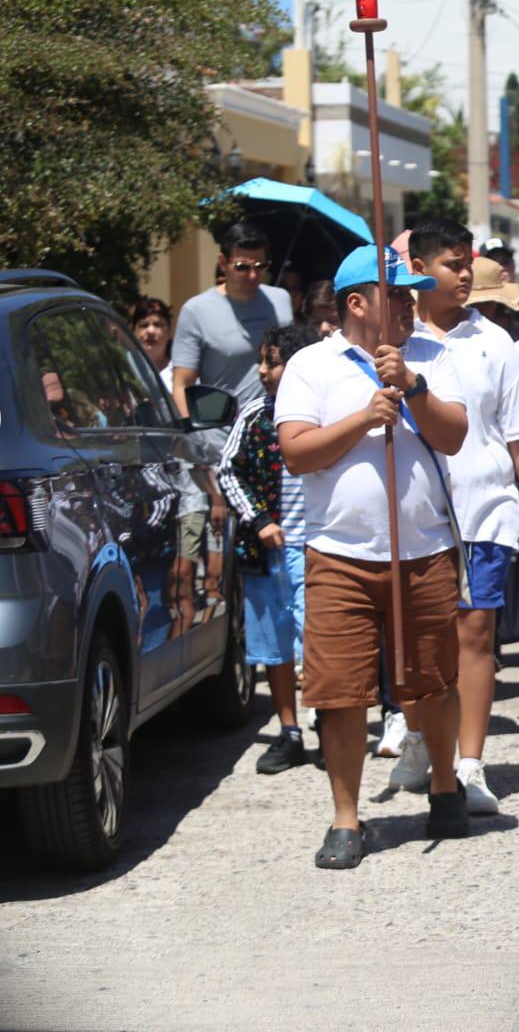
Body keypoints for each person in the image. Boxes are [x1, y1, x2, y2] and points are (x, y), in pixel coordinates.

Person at [275, 245, 471, 869]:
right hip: (339, 554)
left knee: (434, 680)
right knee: (340, 693)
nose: (411, 305)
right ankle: (346, 818)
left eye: (413, 295)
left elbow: (455, 434)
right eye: (398, 295)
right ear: (358, 303)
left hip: (424, 548)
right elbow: (297, 453)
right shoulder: (311, 365)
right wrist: (364, 417)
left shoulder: (436, 356)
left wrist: (411, 387)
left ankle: (445, 784)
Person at [380, 219, 519, 814]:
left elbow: (518, 435)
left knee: (475, 633)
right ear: (421, 270)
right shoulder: (395, 342)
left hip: (485, 509)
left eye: (469, 263)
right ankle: (417, 734)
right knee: (415, 641)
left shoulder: (495, 343)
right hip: (415, 514)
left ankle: (470, 763)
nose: (465, 274)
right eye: (453, 264)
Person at [218, 323, 321, 774]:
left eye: (271, 362)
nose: (262, 371)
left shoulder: (325, 411)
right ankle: (290, 732)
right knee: (274, 646)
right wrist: (259, 520)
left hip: (318, 546)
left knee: (317, 642)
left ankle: (333, 725)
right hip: (268, 554)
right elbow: (228, 469)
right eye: (262, 361)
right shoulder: (255, 414)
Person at [171, 222, 293, 419]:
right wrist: (191, 435)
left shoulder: (281, 300)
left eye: (260, 266)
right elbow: (182, 385)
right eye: (242, 267)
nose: (253, 275)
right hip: (219, 436)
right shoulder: (196, 310)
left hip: (274, 430)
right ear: (222, 263)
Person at [465, 255, 519, 342]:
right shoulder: (456, 333)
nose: (480, 309)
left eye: (488, 303)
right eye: (474, 305)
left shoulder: (514, 331)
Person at [131, 297, 175, 392]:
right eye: (144, 325)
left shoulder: (181, 371)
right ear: (134, 332)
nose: (151, 331)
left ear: (168, 332)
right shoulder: (125, 369)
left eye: (157, 325)